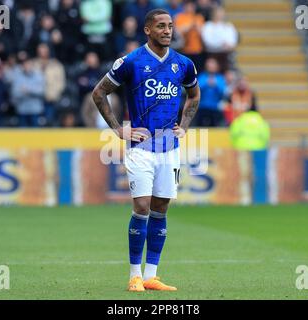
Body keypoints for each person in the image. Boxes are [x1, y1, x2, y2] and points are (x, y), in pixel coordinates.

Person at [92, 9, 200, 292]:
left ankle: (152, 275)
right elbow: (99, 92)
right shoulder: (131, 62)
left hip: (170, 149)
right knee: (141, 206)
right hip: (140, 147)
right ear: (148, 30)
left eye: (170, 26)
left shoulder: (184, 64)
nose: (167, 31)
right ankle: (134, 275)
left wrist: (184, 125)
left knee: (161, 207)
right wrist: (118, 129)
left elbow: (194, 95)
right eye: (161, 26)